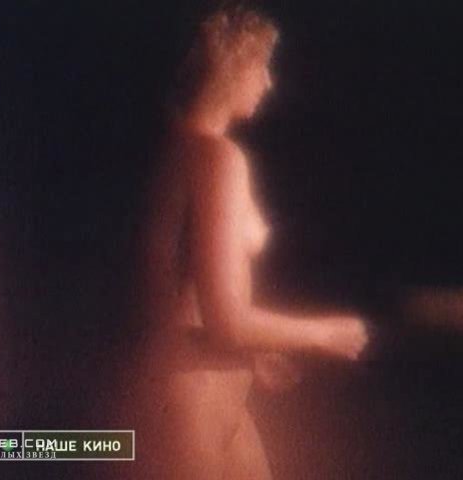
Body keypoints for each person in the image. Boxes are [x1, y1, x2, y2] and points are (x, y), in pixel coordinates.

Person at [116, 6, 369, 479]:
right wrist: (326, 334)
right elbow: (226, 323)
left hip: (203, 403)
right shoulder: (217, 159)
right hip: (187, 414)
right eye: (263, 66)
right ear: (232, 67)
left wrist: (254, 353)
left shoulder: (168, 152)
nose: (268, 82)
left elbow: (177, 299)